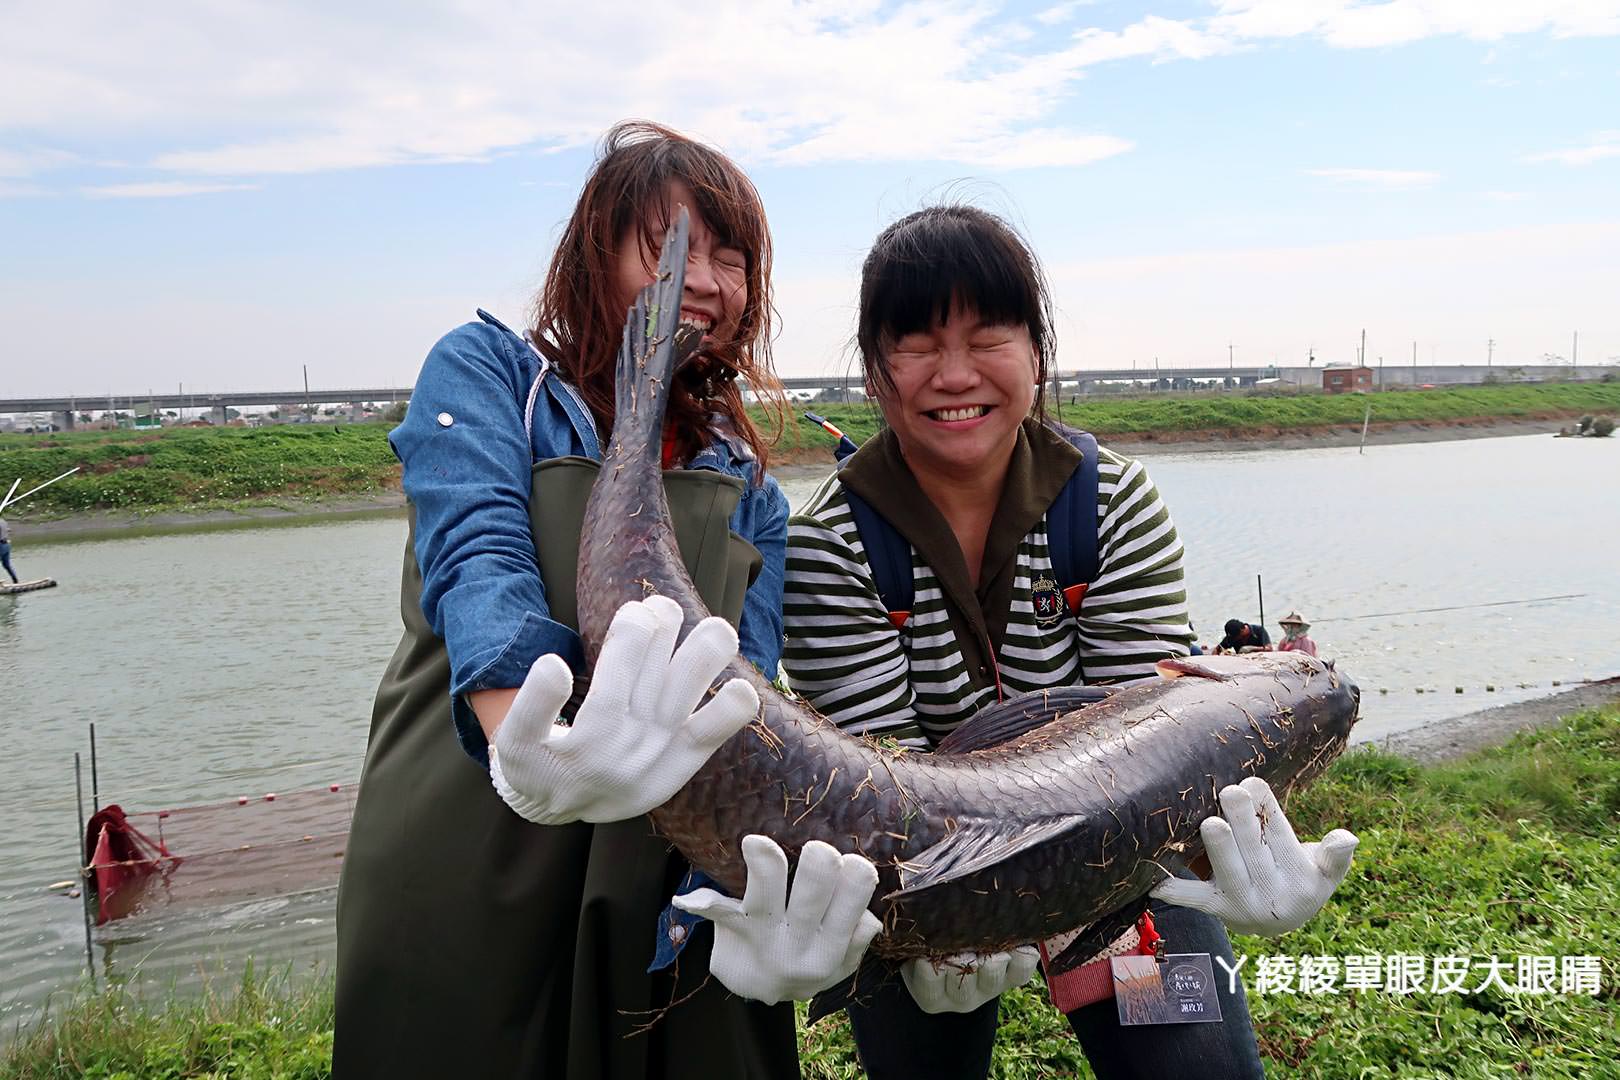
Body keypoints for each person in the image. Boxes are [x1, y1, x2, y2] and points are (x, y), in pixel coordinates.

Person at [334, 122, 877, 1080]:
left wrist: (755, 898)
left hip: (657, 867)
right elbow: (478, 562)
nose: (702, 278)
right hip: (470, 837)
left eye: (730, 257)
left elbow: (744, 705)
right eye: (669, 247)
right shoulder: (491, 374)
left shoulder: (748, 484)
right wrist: (529, 744)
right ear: (597, 251)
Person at [780, 205, 1357, 1079]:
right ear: (873, 370)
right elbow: (881, 780)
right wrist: (953, 925)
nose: (954, 373)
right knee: (925, 1054)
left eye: (988, 337)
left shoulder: (1112, 503)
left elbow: (1156, 751)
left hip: (1124, 877)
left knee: (1198, 1069)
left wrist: (1208, 850)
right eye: (918, 344)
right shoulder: (827, 544)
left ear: (1037, 352)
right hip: (927, 880)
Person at [0, 516, 16, 583]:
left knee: (6, 565)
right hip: (6, 544)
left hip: (1, 545)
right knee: (6, 565)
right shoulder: (2, 521)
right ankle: (15, 581)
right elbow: (8, 530)